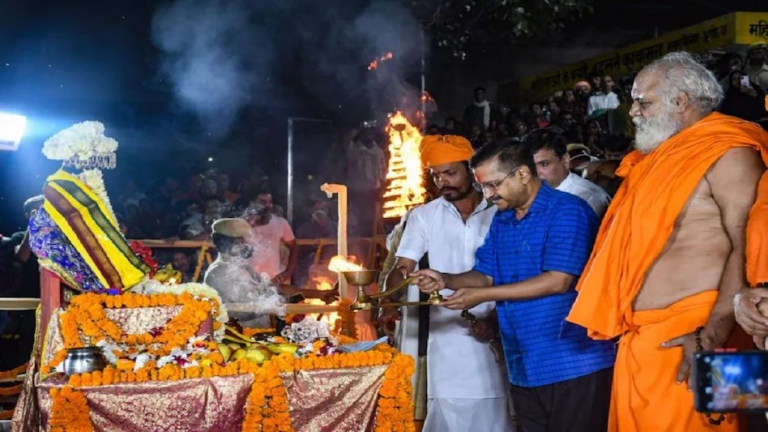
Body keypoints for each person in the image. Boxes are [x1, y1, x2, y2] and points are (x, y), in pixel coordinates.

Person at [567, 52, 768, 432]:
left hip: (703, 338)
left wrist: (711, 335)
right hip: (647, 340)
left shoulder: (731, 151)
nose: (633, 112)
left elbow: (751, 249)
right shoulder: (655, 159)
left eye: (643, 101)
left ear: (681, 102)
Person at [411, 142, 615, 432]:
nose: (488, 195)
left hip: (572, 360)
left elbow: (559, 281)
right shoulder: (504, 219)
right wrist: (445, 279)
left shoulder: (567, 210)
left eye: (494, 185)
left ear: (522, 174)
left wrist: (482, 296)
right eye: (483, 186)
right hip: (524, 364)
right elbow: (486, 274)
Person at [381, 135, 512, 432]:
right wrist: (389, 300)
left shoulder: (500, 211)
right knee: (448, 412)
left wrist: (494, 320)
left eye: (450, 173)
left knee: (497, 415)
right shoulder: (423, 216)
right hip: (446, 337)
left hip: (498, 329)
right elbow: (402, 267)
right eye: (436, 175)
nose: (443, 182)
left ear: (472, 171)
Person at [205, 219, 336, 328]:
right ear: (230, 244)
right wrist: (284, 303)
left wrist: (319, 294)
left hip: (259, 334)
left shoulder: (242, 267)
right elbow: (245, 310)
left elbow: (274, 289)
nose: (249, 243)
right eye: (242, 240)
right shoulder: (219, 272)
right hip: (241, 338)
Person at [528, 131, 610, 217]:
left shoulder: (588, 197)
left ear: (565, 161)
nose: (536, 172)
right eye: (531, 166)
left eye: (544, 164)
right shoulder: (529, 196)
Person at [245, 193, 297, 284]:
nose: (267, 205)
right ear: (253, 203)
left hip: (273, 278)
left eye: (270, 202)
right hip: (249, 280)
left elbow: (294, 247)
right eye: (263, 202)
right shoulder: (243, 224)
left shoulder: (280, 222)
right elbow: (234, 251)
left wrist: (288, 272)